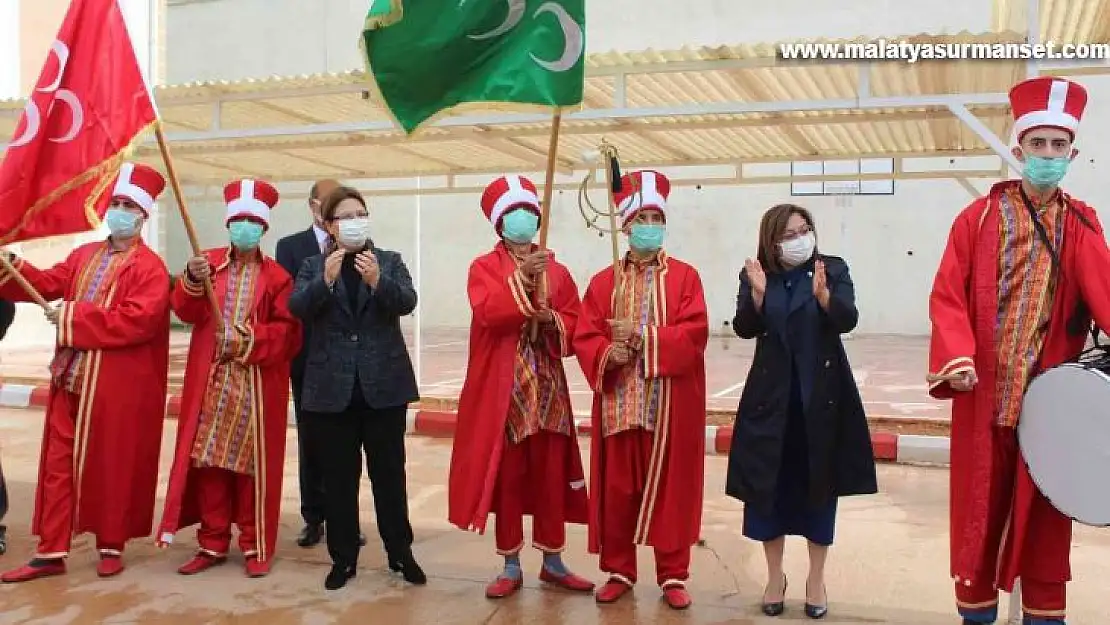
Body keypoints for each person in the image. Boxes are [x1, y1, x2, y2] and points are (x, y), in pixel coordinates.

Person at [928, 76, 1110, 625]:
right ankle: (977, 616)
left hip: (1048, 406)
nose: (1048, 156)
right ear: (1018, 149)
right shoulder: (976, 220)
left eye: (1059, 146)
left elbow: (1105, 291)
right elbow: (947, 294)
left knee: (1047, 527)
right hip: (983, 395)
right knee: (978, 520)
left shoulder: (1081, 224)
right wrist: (956, 355)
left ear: (1072, 153)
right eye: (1039, 144)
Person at [0, 163, 172, 582]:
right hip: (69, 378)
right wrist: (10, 264)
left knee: (109, 465)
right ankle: (50, 550)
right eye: (114, 202)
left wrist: (73, 317)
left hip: (114, 387)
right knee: (58, 465)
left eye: (128, 205)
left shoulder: (149, 268)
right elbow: (47, 282)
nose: (119, 210)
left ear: (143, 215)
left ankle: (111, 544)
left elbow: (139, 320)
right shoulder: (84, 255)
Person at [725, 204, 877, 619]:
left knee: (818, 489)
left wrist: (826, 297)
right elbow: (744, 327)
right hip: (770, 402)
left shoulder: (832, 267)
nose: (799, 239)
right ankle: (775, 576)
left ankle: (815, 577)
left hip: (821, 399)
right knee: (765, 492)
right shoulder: (757, 273)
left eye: (804, 230)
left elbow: (848, 319)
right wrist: (757, 296)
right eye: (789, 234)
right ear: (772, 241)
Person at [447, 175, 593, 599]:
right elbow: (489, 313)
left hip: (548, 393)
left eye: (529, 211)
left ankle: (552, 560)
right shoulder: (483, 268)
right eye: (513, 212)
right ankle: (510, 562)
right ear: (499, 221)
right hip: (504, 394)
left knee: (550, 477)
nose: (523, 218)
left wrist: (551, 320)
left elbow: (576, 323)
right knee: (509, 479)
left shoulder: (559, 271)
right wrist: (521, 283)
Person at [573, 170, 708, 610]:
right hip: (618, 406)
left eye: (657, 217)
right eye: (642, 217)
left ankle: (672, 574)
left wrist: (643, 337)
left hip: (665, 407)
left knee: (669, 489)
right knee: (617, 492)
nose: (651, 224)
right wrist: (604, 354)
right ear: (626, 226)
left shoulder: (686, 278)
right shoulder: (603, 281)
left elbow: (695, 335)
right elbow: (585, 333)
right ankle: (618, 570)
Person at [156, 178, 301, 578]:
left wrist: (245, 339)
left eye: (253, 221)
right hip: (211, 386)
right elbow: (183, 310)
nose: (245, 227)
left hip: (254, 388)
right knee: (210, 464)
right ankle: (212, 541)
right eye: (238, 219)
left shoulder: (278, 278)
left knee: (251, 467)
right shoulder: (208, 265)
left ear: (264, 228)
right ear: (228, 223)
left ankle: (254, 544)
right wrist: (189, 277)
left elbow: (289, 334)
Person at [288, 185, 426, 590]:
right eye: (345, 216)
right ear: (329, 224)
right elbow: (297, 308)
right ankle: (343, 559)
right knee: (339, 480)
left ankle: (400, 553)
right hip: (332, 393)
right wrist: (325, 282)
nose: (354, 222)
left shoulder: (389, 260)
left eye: (360, 214)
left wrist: (378, 280)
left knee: (389, 476)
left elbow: (406, 301)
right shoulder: (314, 265)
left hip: (383, 388)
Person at [275, 178, 365, 549]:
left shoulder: (362, 246)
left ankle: (348, 519)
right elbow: (292, 301)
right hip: (309, 360)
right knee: (312, 442)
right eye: (331, 204)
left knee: (349, 448)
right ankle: (314, 517)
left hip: (351, 363)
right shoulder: (291, 246)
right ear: (315, 208)